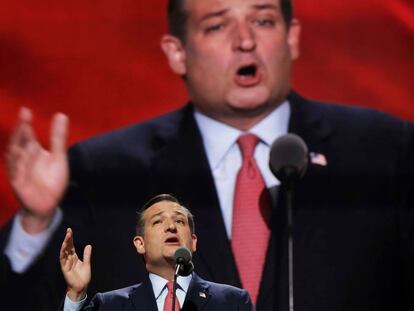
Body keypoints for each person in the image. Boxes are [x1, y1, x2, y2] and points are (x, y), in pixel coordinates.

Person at [1, 0, 414, 310]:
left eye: (263, 20)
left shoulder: (386, 152)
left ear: (292, 37)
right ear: (176, 52)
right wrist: (35, 225)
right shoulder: (104, 170)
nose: (245, 40)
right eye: (217, 25)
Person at [59, 194, 254, 310]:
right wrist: (76, 294)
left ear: (193, 242)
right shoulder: (110, 305)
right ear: (139, 244)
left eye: (179, 221)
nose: (171, 227)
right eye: (158, 221)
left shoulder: (232, 302)